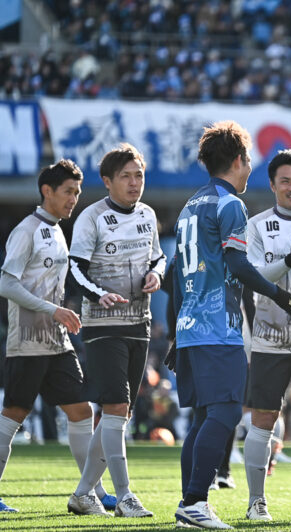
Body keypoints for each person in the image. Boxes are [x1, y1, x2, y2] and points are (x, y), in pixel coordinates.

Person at [171, 121, 291, 529]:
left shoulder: (190, 205)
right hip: (219, 326)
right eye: (248, 160)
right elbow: (238, 264)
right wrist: (279, 294)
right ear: (237, 160)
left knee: (204, 416)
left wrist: (177, 331)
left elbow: (178, 273)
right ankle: (195, 502)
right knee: (228, 410)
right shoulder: (230, 204)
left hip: (191, 326)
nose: (250, 168)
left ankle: (189, 504)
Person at [0, 160, 111, 514]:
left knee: (81, 411)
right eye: (68, 192)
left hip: (57, 342)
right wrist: (53, 310)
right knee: (14, 414)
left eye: (77, 192)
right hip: (28, 342)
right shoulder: (27, 230)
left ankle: (91, 490)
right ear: (47, 191)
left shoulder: (58, 230)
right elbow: (6, 284)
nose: (73, 199)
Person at [68, 144, 163, 518]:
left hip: (140, 322)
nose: (134, 182)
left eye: (139, 175)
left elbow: (158, 256)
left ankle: (82, 494)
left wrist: (156, 273)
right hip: (102, 324)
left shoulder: (148, 214)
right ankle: (124, 496)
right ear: (107, 181)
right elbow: (75, 268)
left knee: (118, 414)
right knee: (116, 406)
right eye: (126, 176)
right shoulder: (91, 217)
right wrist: (99, 294)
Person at [241, 149, 291, 521]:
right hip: (269, 338)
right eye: (285, 181)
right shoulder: (256, 225)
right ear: (272, 185)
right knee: (263, 419)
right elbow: (255, 277)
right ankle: (256, 501)